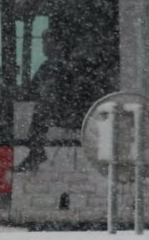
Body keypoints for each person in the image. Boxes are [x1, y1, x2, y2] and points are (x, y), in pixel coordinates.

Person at [15, 27, 95, 172]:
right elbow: (33, 90)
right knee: (40, 113)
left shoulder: (59, 66)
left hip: (72, 114)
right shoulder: (52, 66)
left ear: (59, 45)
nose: (44, 47)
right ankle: (36, 153)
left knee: (40, 114)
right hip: (72, 114)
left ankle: (36, 153)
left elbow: (41, 92)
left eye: (48, 43)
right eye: (44, 43)